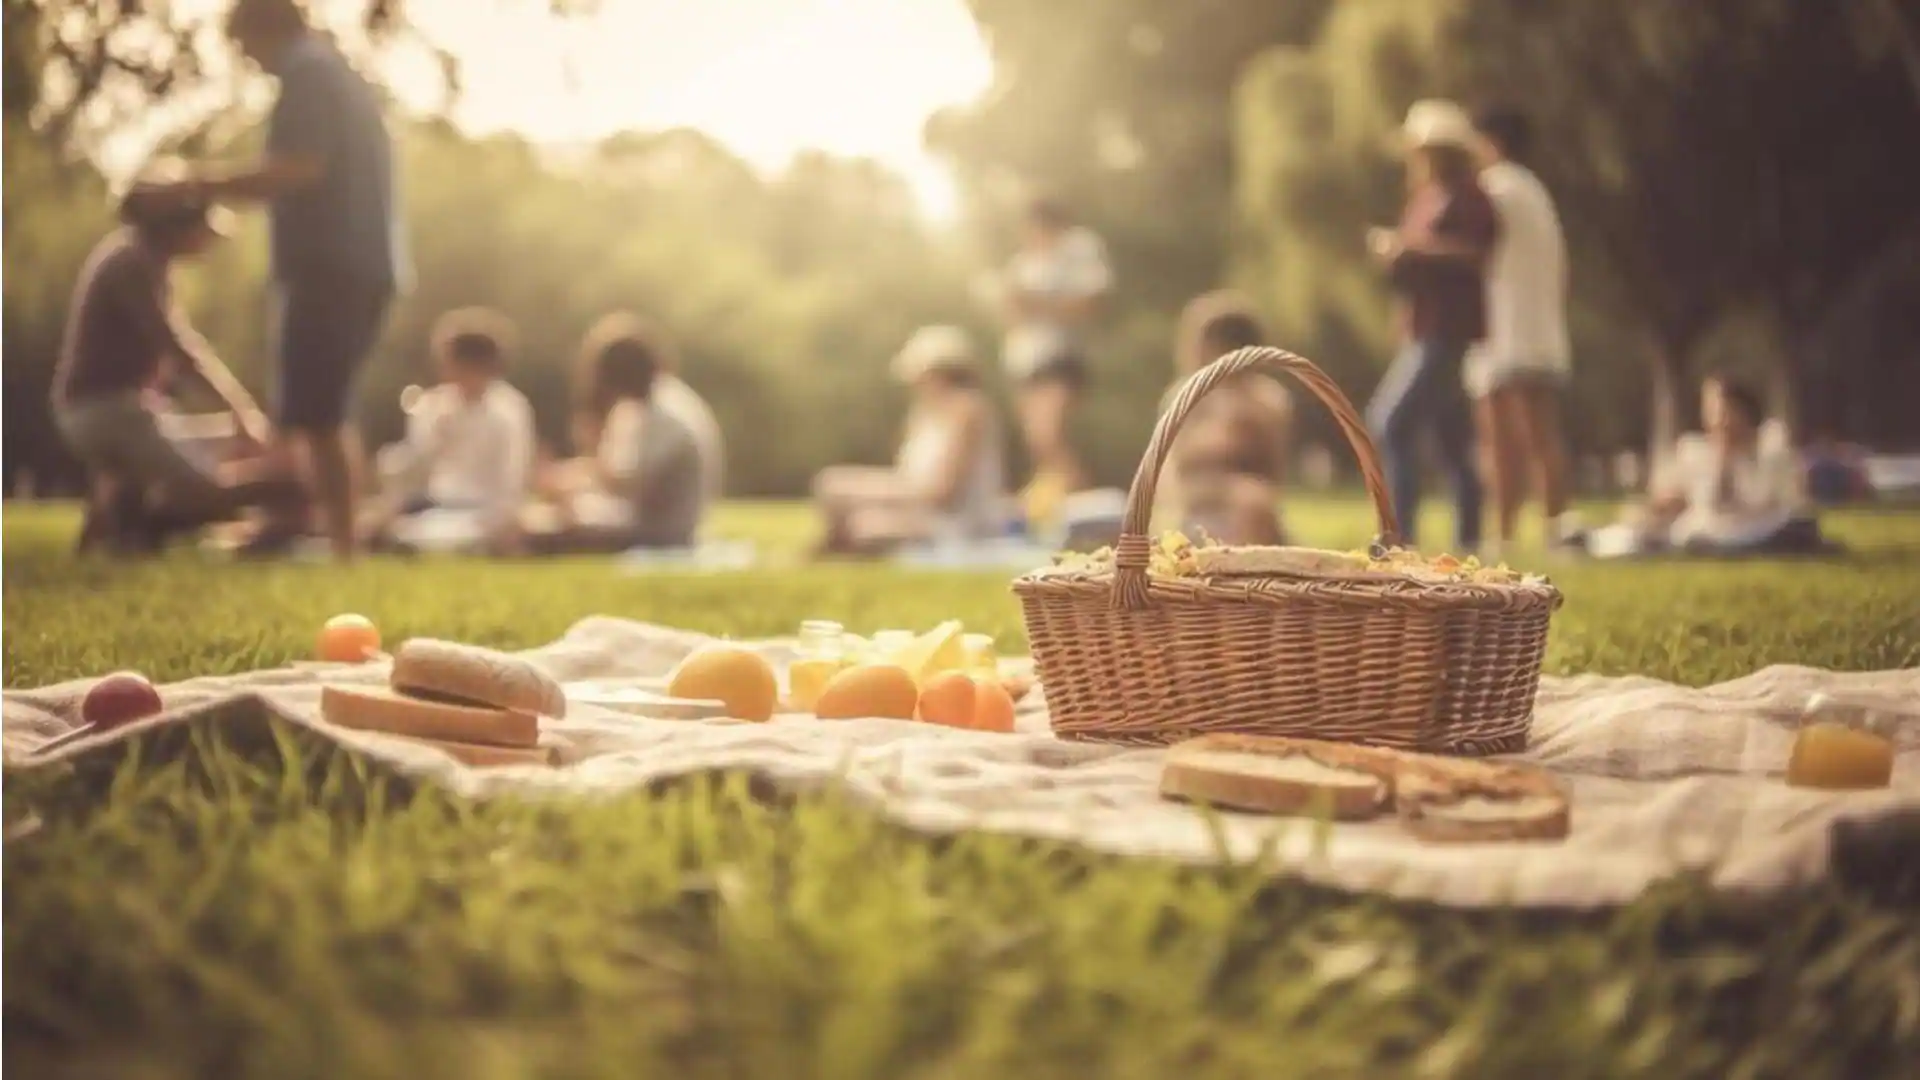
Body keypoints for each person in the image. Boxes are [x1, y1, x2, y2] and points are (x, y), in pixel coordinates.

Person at [140, 0, 406, 560]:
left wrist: (192, 183)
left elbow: (298, 167)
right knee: (316, 407)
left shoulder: (308, 73)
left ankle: (339, 548)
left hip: (331, 265)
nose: (247, 60)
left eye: (243, 46)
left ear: (265, 29)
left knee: (321, 410)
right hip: (351, 264)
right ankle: (315, 534)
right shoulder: (333, 72)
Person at [52, 183, 302, 554]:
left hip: (123, 411)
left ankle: (117, 524)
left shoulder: (142, 261)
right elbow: (180, 350)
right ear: (177, 225)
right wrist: (242, 411)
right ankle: (142, 521)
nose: (207, 242)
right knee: (209, 491)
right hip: (106, 411)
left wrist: (241, 423)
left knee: (227, 444)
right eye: (202, 229)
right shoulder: (131, 264)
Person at [1364, 100, 1499, 554]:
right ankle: (1470, 536)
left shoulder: (1470, 197)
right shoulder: (1424, 198)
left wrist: (1412, 249)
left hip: (1448, 330)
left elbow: (1475, 254)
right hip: (1422, 329)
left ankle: (1400, 535)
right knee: (1452, 438)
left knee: (1391, 422)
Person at [1465, 106, 1581, 553]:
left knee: (1512, 439)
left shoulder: (1496, 189)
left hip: (1509, 332)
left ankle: (1519, 532)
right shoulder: (1534, 192)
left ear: (1491, 141)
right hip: (1534, 329)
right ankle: (1544, 528)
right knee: (1537, 436)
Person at [812, 326, 1006, 557]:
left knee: (863, 525)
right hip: (924, 511)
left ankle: (830, 556)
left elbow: (943, 493)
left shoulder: (967, 412)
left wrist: (866, 493)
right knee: (836, 491)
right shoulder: (924, 414)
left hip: (958, 524)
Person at [1586, 374, 1824, 556]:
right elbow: (1670, 498)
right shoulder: (1694, 450)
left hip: (1759, 526)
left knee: (1796, 527)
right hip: (1706, 529)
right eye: (1711, 409)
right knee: (1668, 534)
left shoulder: (1771, 447)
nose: (1717, 418)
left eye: (1723, 409)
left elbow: (1781, 502)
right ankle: (1588, 539)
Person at [525, 316, 706, 552]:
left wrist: (576, 468)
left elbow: (626, 483)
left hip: (661, 531)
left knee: (528, 532)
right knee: (539, 518)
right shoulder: (656, 403)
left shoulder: (665, 415)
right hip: (647, 521)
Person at [366, 308, 535, 554]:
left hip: (484, 511)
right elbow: (410, 470)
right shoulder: (435, 405)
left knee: (437, 538)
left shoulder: (508, 410)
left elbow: (511, 479)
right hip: (436, 505)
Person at [996, 197, 1112, 508]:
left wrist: (1037, 303)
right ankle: (1056, 516)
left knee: (1049, 438)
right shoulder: (1023, 262)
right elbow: (1013, 315)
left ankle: (1092, 514)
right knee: (1040, 447)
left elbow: (1091, 302)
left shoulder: (1078, 248)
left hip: (1060, 358)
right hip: (1027, 363)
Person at [1156, 291, 1293, 545]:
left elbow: (1273, 468)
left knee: (1254, 504)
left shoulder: (1266, 397)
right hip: (1196, 494)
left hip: (1253, 498)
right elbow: (1176, 466)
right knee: (1249, 503)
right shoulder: (1186, 396)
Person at [583, 311, 725, 509]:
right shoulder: (668, 397)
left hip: (667, 531)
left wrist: (586, 464)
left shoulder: (666, 413)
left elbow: (626, 483)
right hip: (669, 521)